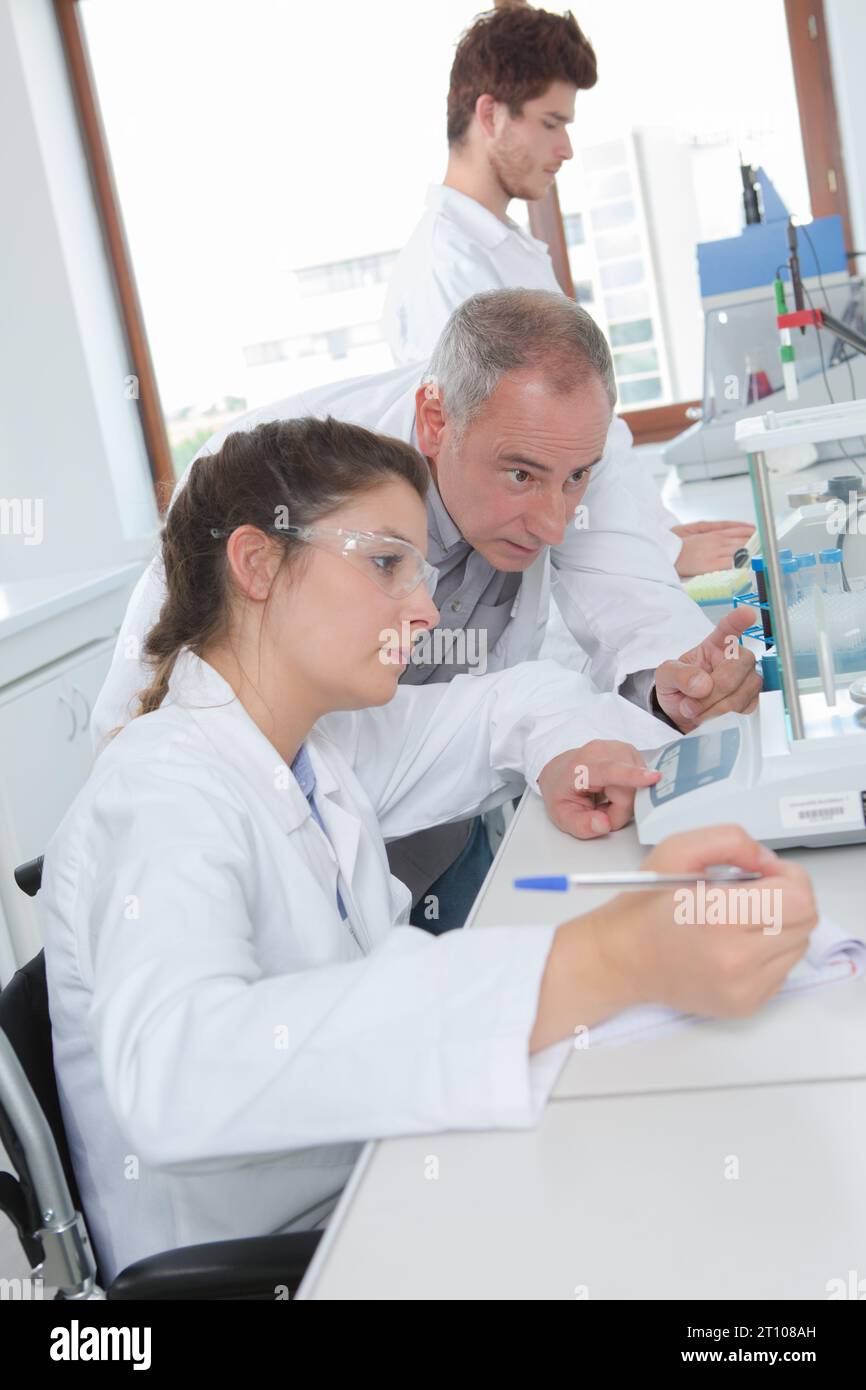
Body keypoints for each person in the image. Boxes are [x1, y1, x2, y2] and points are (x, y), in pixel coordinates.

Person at [42, 416, 817, 1285]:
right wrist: (595, 962)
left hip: (380, 1174)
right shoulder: (158, 794)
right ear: (258, 564)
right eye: (385, 564)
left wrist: (567, 751)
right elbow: (179, 1073)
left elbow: (511, 703)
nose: (426, 607)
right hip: (285, 1261)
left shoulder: (316, 743)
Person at [92, 291, 762, 932]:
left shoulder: (565, 435)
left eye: (576, 479)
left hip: (415, 824)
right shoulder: (288, 484)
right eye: (521, 476)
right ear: (435, 421)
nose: (556, 525)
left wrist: (679, 690)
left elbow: (525, 692)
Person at [382, 4, 754, 578]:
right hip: (537, 584)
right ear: (491, 114)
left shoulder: (504, 249)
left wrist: (656, 537)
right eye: (551, 123)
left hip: (597, 557)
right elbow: (514, 466)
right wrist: (658, 552)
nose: (566, 148)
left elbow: (587, 431)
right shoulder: (447, 266)